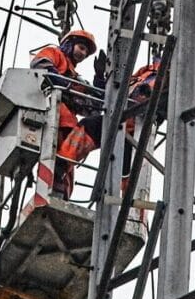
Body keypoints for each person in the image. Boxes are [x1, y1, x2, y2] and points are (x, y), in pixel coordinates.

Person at [55, 59, 161, 198]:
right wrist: (100, 77)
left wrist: (151, 99)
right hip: (119, 119)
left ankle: (134, 213)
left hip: (135, 129)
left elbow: (166, 106)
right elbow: (112, 93)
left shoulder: (171, 79)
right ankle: (62, 164)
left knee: (131, 176)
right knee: (88, 126)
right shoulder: (140, 76)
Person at [30, 29, 104, 197]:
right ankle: (50, 193)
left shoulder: (76, 78)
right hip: (52, 118)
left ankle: (61, 198)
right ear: (69, 44)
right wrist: (64, 84)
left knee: (67, 169)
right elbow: (41, 65)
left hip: (69, 128)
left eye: (86, 51)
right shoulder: (54, 53)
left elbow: (96, 104)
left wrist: (99, 78)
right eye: (81, 47)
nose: (83, 54)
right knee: (55, 161)